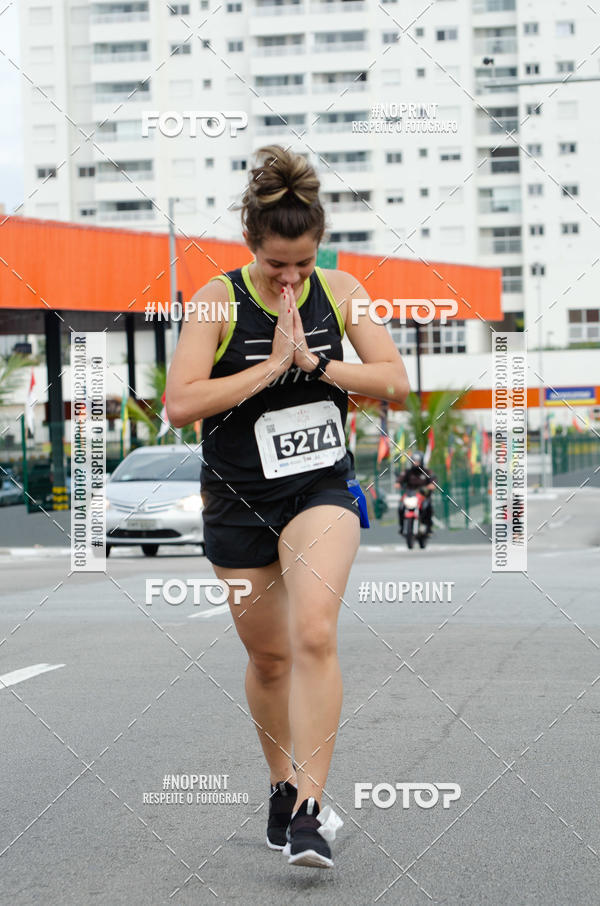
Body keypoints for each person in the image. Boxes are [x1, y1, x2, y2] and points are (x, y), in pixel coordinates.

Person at [166, 145, 409, 869]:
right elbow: (181, 404)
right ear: (253, 247)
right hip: (238, 497)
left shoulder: (339, 291)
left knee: (313, 632)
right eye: (278, 264)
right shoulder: (216, 300)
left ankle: (309, 809)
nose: (292, 277)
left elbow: (393, 379)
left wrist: (314, 365)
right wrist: (268, 367)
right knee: (270, 659)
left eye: (303, 263)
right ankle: (280, 784)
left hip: (318, 487)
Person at [395, 450, 437, 535]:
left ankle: (427, 526)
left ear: (421, 461)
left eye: (417, 461)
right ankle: (402, 526)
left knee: (427, 507)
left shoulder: (427, 472)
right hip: (410, 494)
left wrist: (431, 485)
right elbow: (400, 479)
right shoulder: (408, 472)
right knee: (401, 507)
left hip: (423, 495)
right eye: (414, 460)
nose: (415, 463)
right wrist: (398, 483)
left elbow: (433, 480)